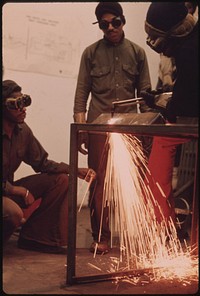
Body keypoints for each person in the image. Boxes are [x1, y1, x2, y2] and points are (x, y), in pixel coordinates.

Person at [73, 2, 152, 254]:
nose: (111, 28)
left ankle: (136, 236)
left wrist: (146, 132)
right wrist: (82, 130)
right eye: (105, 25)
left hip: (130, 128)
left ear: (123, 20)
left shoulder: (138, 53)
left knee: (133, 183)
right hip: (99, 128)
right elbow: (81, 95)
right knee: (100, 184)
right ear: (100, 26)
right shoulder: (90, 53)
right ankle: (101, 237)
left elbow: (146, 97)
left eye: (115, 22)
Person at [2, 79, 95, 254]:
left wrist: (75, 170)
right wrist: (19, 191)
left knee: (61, 181)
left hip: (8, 191)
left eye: (24, 102)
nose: (23, 109)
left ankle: (36, 238)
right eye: (16, 104)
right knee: (13, 212)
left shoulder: (22, 131)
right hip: (7, 192)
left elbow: (43, 163)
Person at [141, 3, 198, 229]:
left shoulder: (189, 52)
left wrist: (158, 102)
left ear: (171, 33)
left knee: (164, 138)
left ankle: (159, 220)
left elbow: (185, 105)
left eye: (156, 39)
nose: (156, 45)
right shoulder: (191, 42)